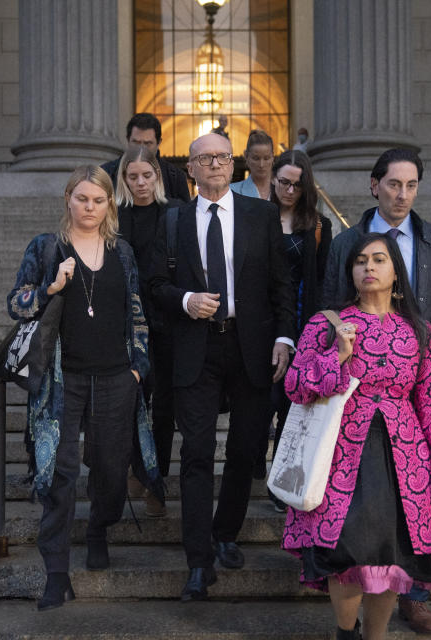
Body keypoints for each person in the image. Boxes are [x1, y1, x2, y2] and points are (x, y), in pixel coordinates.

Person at [283, 232, 431, 640]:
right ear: (350, 272)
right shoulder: (325, 324)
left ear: (395, 273)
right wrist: (337, 356)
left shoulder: (419, 331)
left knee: (391, 556)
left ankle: (376, 636)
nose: (369, 266)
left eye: (379, 259)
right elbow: (295, 385)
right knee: (347, 551)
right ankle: (346, 633)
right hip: (341, 452)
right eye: (361, 260)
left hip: (405, 456)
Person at [321, 148, 431, 634]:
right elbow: (327, 309)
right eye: (393, 184)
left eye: (411, 186)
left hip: (415, 391)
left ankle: (415, 600)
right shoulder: (346, 242)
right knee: (357, 532)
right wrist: (332, 353)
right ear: (374, 185)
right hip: (351, 415)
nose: (402, 194)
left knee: (408, 520)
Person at [149, 132, 295, 602]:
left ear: (232, 166)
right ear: (189, 169)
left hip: (251, 347)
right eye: (203, 158)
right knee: (194, 454)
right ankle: (198, 559)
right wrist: (186, 299)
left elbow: (281, 285)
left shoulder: (262, 214)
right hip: (196, 350)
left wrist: (283, 338)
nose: (213, 164)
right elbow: (153, 286)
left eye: (221, 157)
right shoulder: (172, 220)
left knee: (244, 448)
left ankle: (227, 532)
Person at [6, 165, 156, 611]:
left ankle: (98, 528)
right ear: (68, 199)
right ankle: (56, 573)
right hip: (61, 379)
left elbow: (137, 313)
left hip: (115, 376)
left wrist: (137, 368)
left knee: (111, 469)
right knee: (60, 473)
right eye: (82, 199)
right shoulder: (46, 247)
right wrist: (50, 287)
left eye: (98, 200)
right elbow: (16, 302)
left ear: (109, 203)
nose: (89, 207)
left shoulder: (122, 251)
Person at [115, 144, 185, 517]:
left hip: (166, 320)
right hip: (126, 324)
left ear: (157, 176)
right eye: (132, 177)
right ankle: (137, 469)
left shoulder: (173, 213)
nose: (140, 183)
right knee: (131, 401)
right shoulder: (115, 217)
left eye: (147, 175)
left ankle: (156, 482)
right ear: (123, 179)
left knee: (165, 409)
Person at [262, 149, 331, 511]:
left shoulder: (318, 226)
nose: (290, 190)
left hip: (303, 325)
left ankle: (280, 479)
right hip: (261, 323)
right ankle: (256, 472)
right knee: (263, 403)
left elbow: (321, 281)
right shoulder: (256, 218)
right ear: (273, 179)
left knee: (291, 407)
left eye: (297, 185)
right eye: (284, 182)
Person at [101, 112, 191, 202]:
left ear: (159, 142)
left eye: (147, 143)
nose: (141, 148)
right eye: (136, 142)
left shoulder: (175, 177)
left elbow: (184, 213)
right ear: (128, 140)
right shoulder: (106, 173)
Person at [230, 129, 274, 200]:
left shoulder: (283, 190)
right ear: (246, 156)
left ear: (272, 157)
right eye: (256, 158)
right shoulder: (232, 191)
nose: (261, 165)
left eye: (266, 158)